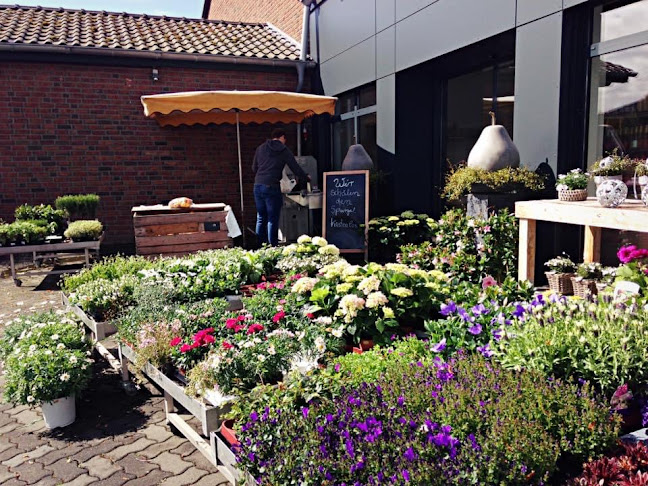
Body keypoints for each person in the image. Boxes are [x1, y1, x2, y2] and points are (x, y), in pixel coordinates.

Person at [252, 128, 309, 246]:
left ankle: (259, 247)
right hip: (272, 185)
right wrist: (305, 177)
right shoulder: (283, 150)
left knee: (261, 217)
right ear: (282, 137)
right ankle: (273, 247)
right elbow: (294, 167)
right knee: (272, 218)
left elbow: (254, 168)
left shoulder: (260, 148)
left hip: (258, 185)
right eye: (285, 139)